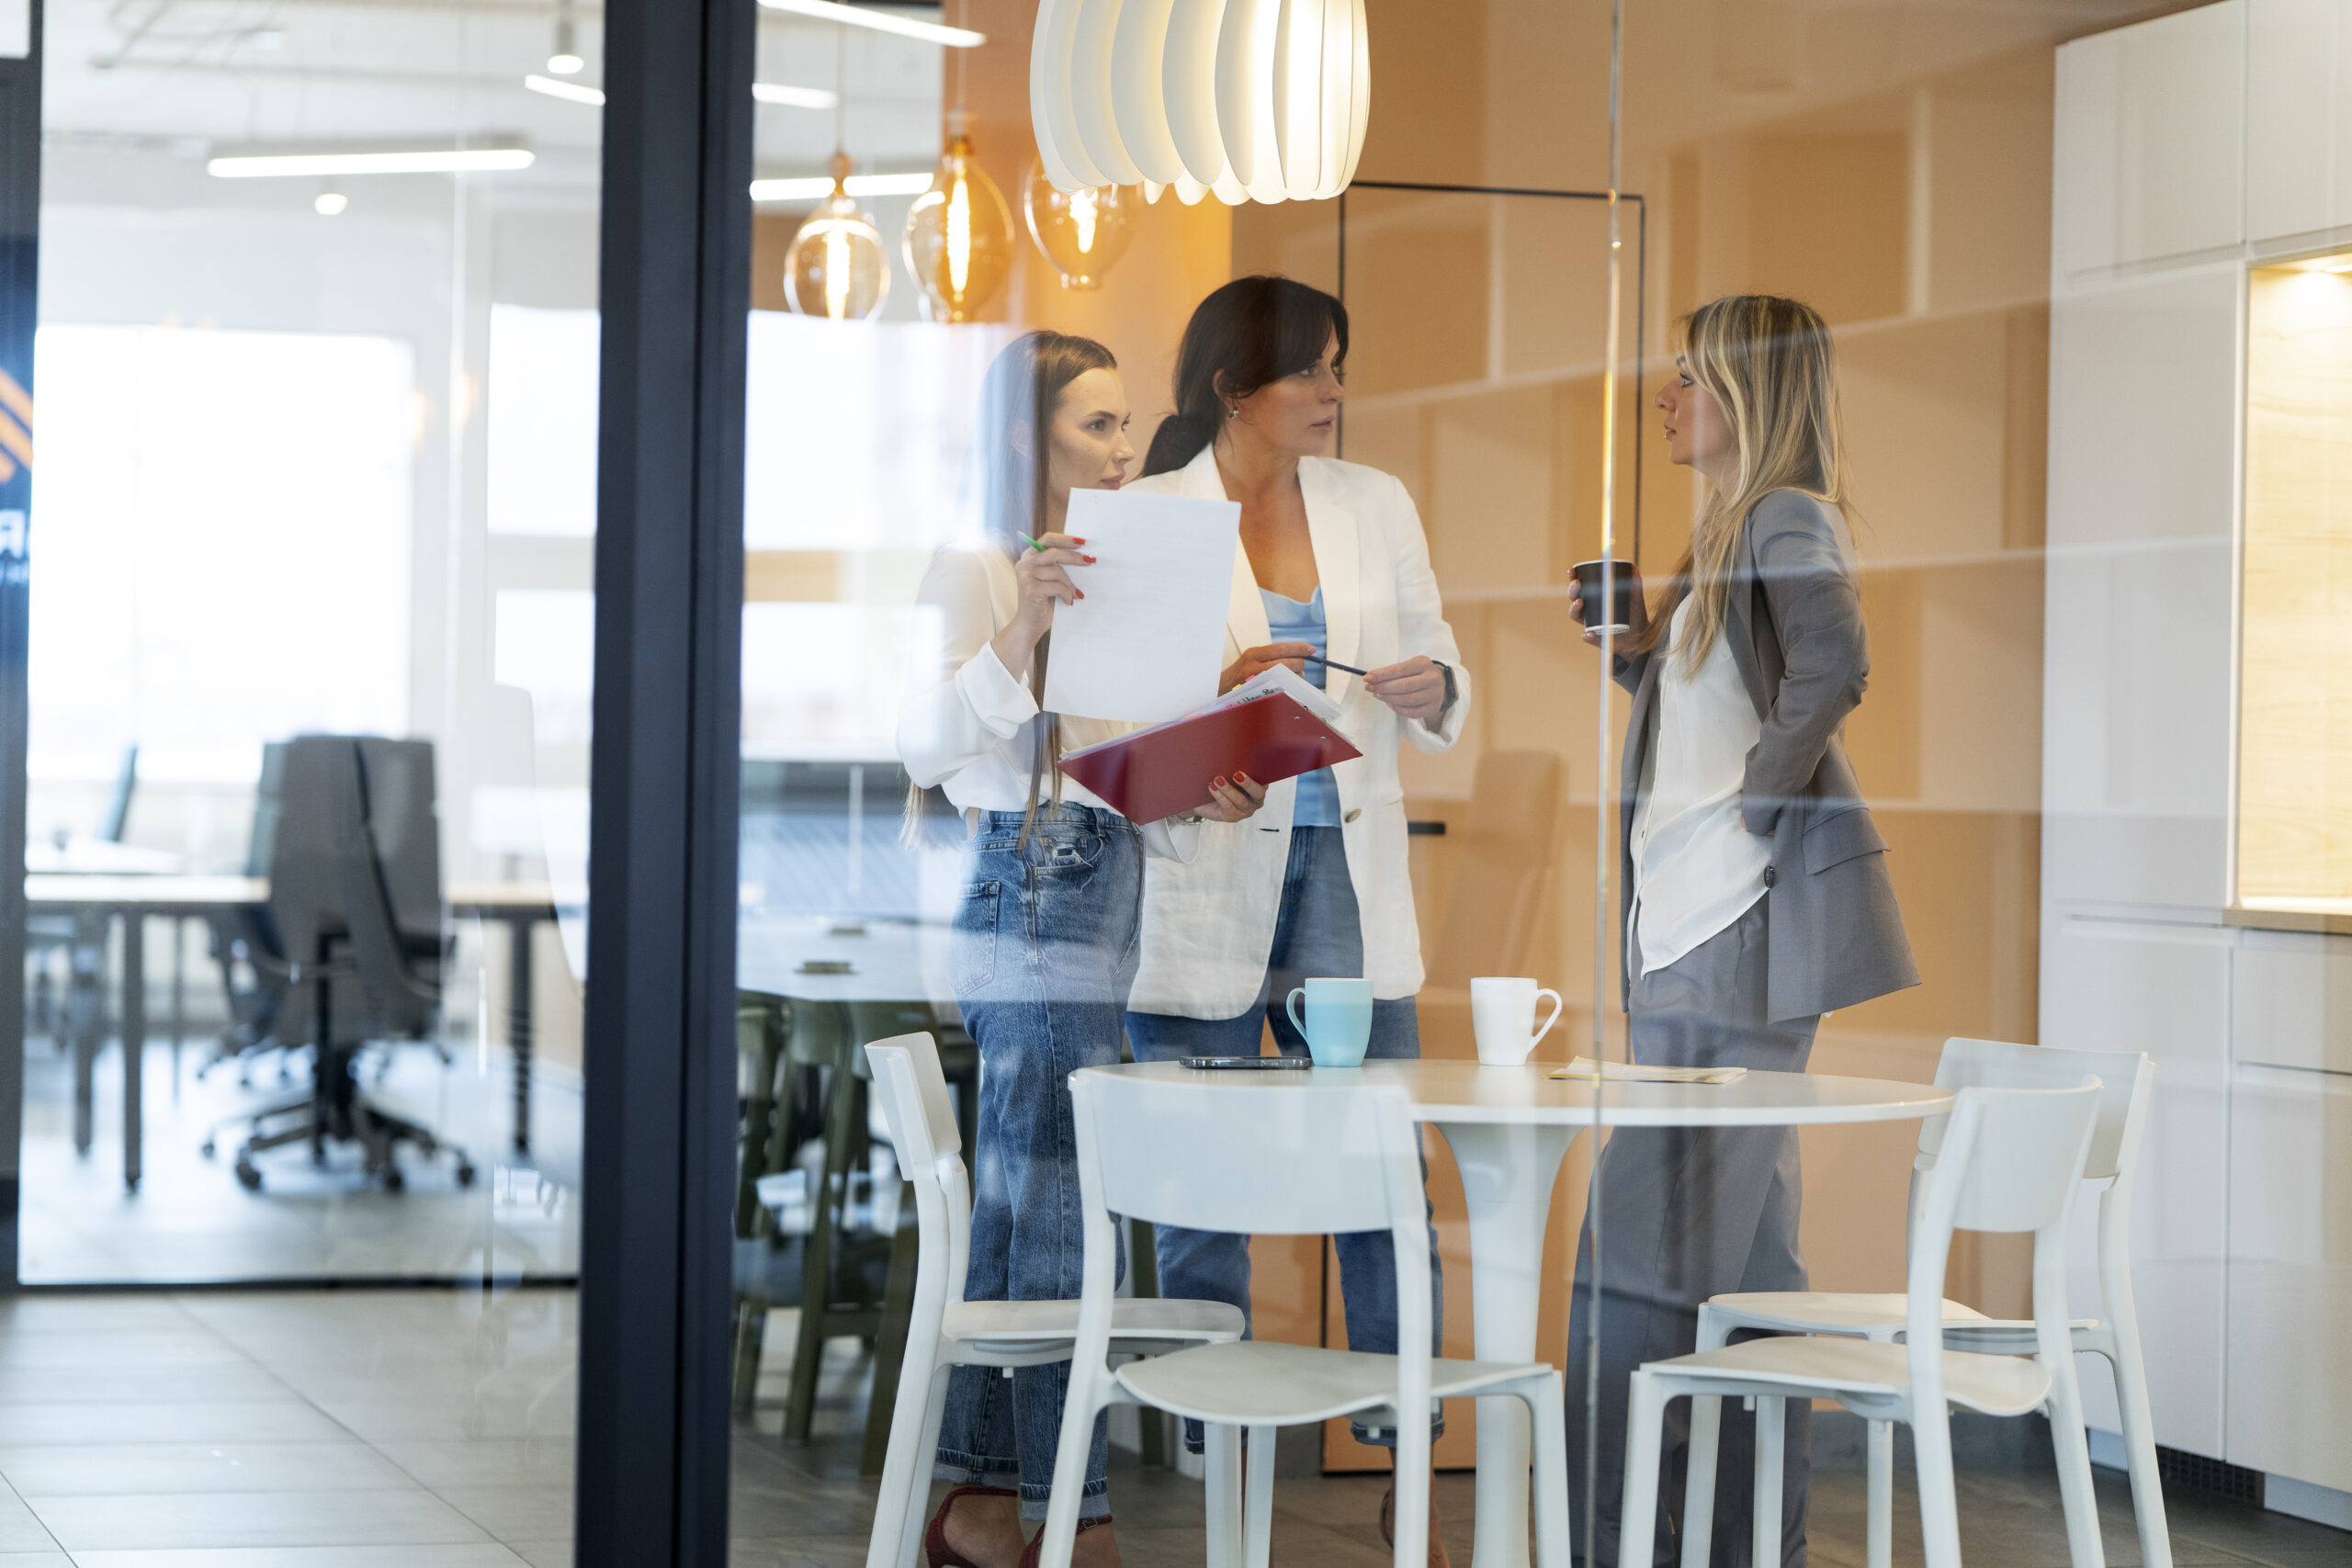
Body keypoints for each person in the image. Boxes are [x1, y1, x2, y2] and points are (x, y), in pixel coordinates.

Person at [898, 331, 1268, 1568]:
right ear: (1025, 436)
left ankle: (984, 1501)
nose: (1122, 452)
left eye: (1123, 426)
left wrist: (1199, 783)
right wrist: (1026, 625)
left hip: (1094, 871)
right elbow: (923, 746)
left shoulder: (1117, 561)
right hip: (1025, 878)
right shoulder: (973, 563)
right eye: (1095, 427)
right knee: (1058, 1202)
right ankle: (1073, 1518)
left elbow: (1107, 768)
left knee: (1027, 1200)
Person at [1121, 276, 1470, 1567]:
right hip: (1209, 866)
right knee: (1208, 1178)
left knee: (1384, 1175)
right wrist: (1211, 697)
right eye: (1310, 372)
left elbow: (1438, 660)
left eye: (1337, 368)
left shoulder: (1374, 505)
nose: (1333, 394)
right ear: (1230, 387)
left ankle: (1407, 1461)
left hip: (1346, 874)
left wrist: (1441, 682)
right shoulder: (1151, 518)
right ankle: (1217, 1454)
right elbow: (1104, 722)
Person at [1565, 294, 1918, 1567]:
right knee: (1749, 1272)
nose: (1663, 400)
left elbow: (1835, 659)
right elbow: (1716, 721)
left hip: (1730, 930)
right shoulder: (1728, 532)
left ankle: (1605, 1547)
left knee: (1629, 1270)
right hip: (1694, 933)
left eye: (1687, 381)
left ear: (1746, 397)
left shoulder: (1780, 515)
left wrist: (1765, 808)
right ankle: (1740, 1548)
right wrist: (1635, 652)